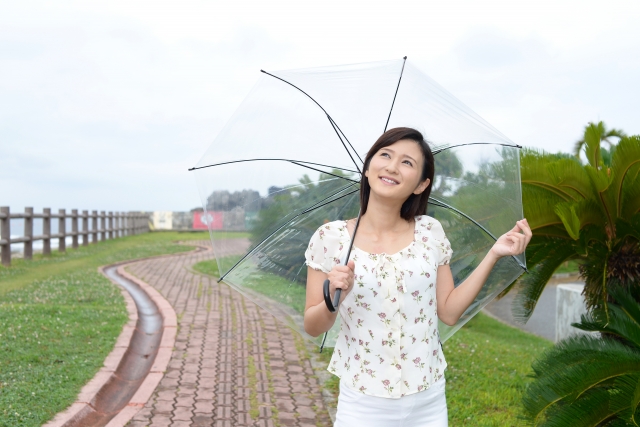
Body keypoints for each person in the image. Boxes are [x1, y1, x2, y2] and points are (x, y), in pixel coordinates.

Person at [303, 127, 532, 426]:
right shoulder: (330, 238)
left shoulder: (429, 232)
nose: (392, 166)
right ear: (369, 167)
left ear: (421, 185)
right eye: (385, 155)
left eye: (407, 162)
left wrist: (494, 254)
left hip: (428, 398)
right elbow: (312, 325)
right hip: (363, 401)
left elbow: (448, 312)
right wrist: (334, 297)